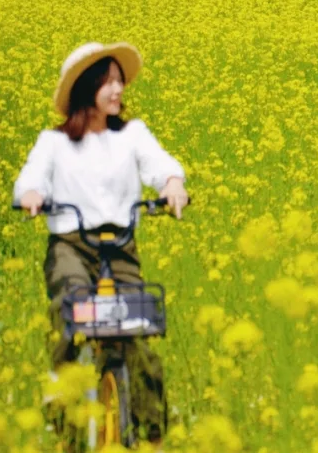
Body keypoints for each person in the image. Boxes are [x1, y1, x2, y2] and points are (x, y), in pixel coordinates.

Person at [14, 41, 188, 442]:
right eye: (108, 82)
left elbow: (161, 166)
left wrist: (172, 184)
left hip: (120, 246)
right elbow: (31, 178)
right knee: (70, 315)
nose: (118, 90)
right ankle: (66, 423)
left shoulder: (132, 135)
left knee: (138, 332)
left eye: (120, 81)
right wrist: (32, 195)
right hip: (70, 246)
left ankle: (152, 436)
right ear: (86, 88)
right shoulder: (54, 142)